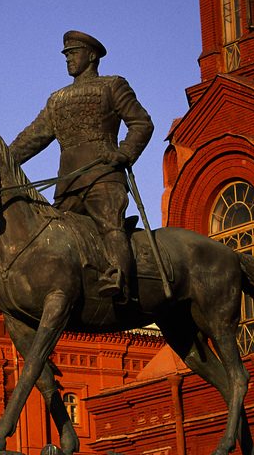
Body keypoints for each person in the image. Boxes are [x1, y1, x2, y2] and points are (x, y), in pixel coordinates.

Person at [10, 30, 154, 300]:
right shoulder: (57, 99)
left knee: (110, 223)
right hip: (68, 184)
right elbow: (34, 137)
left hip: (103, 177)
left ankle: (118, 278)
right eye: (66, 55)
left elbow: (141, 123)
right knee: (51, 234)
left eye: (73, 54)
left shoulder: (112, 86)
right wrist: (3, 160)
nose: (68, 60)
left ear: (91, 56)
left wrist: (124, 153)